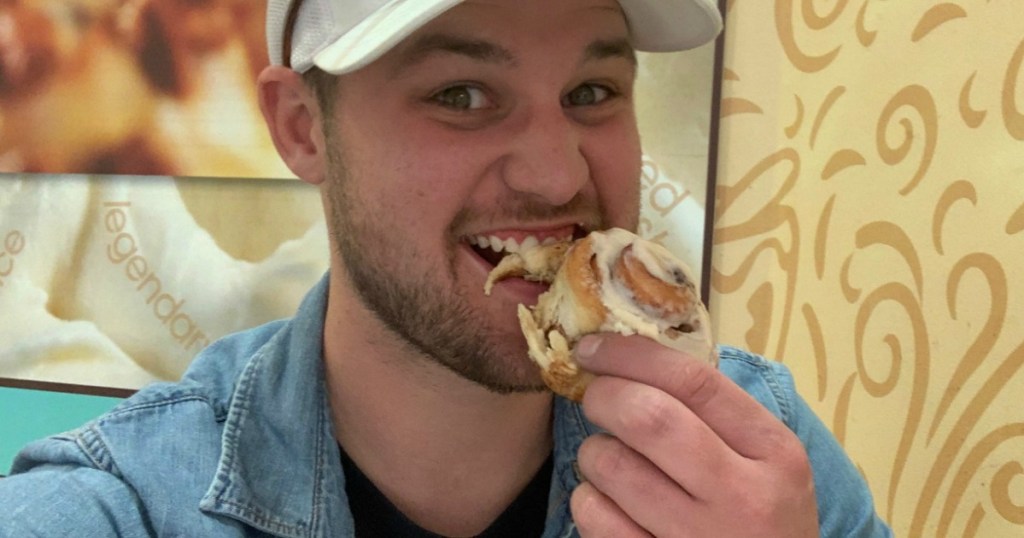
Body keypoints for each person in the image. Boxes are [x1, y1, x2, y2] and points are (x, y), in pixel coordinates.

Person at [0, 0, 893, 536]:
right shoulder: (125, 506)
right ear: (303, 128)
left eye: (591, 92)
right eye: (460, 95)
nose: (558, 174)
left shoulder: (757, 456)